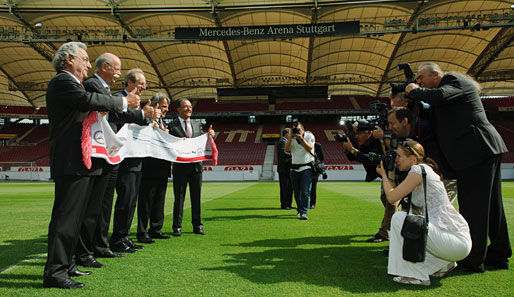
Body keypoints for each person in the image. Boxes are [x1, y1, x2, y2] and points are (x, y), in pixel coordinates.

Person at [43, 42, 140, 289]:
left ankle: (68, 265)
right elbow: (87, 100)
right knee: (66, 218)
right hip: (70, 160)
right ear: (68, 61)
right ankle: (55, 272)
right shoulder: (62, 81)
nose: (88, 63)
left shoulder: (72, 83)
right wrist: (124, 102)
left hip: (81, 159)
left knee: (76, 219)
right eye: (84, 59)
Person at [406, 62, 511, 273]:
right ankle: (499, 255)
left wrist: (415, 91)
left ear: (436, 75)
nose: (419, 82)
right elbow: (431, 113)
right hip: (480, 150)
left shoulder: (454, 82)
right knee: (491, 207)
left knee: (474, 207)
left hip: (476, 151)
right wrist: (412, 97)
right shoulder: (446, 93)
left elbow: (439, 96)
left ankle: (473, 261)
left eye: (421, 77)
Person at [377, 140, 471, 286]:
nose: (396, 160)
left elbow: (392, 197)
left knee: (399, 218)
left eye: (399, 156)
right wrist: (390, 173)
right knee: (411, 222)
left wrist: (383, 174)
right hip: (454, 241)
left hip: (453, 240)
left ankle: (415, 275)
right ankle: (442, 264)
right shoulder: (424, 171)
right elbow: (396, 194)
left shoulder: (418, 170)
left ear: (412, 159)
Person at [110, 68, 151, 253]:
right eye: (141, 83)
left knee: (132, 199)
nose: (143, 87)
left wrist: (148, 116)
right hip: (122, 158)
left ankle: (124, 236)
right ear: (130, 83)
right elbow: (117, 118)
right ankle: (117, 238)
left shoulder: (138, 103)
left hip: (136, 157)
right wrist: (141, 114)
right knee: (124, 199)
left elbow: (143, 124)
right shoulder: (118, 98)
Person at [387, 107, 457, 203]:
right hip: (430, 177)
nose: (389, 128)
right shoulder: (410, 134)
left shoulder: (424, 129)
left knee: (436, 210)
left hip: (445, 176)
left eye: (392, 123)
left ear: (404, 121)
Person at [169, 98, 215, 236]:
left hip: (196, 167)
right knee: (179, 198)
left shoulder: (197, 125)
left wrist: (210, 136)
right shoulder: (171, 126)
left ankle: (197, 226)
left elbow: (202, 142)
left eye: (190, 107)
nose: (189, 109)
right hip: (180, 167)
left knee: (196, 197)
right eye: (185, 107)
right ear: (178, 109)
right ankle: (177, 226)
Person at [343, 127, 397, 243]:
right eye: (355, 133)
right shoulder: (363, 143)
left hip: (394, 172)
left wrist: (352, 149)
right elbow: (351, 158)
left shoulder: (378, 141)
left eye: (360, 133)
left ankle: (384, 233)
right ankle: (395, 225)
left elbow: (370, 159)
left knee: (391, 202)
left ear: (369, 133)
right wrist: (349, 149)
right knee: (386, 199)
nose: (356, 136)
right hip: (386, 174)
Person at [137, 92, 172, 243]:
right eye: (164, 106)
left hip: (163, 167)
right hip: (148, 167)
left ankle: (156, 229)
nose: (166, 110)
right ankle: (142, 231)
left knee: (159, 200)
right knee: (146, 201)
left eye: (167, 107)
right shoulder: (145, 121)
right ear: (155, 106)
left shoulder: (165, 123)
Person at [285, 122, 315, 220]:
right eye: (294, 130)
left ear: (302, 129)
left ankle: (304, 212)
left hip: (306, 167)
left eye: (298, 129)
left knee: (305, 191)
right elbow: (287, 149)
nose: (296, 131)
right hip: (294, 168)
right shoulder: (292, 138)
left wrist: (301, 138)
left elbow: (310, 148)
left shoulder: (309, 136)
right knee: (297, 192)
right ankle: (299, 209)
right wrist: (290, 137)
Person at [277, 128, 294, 210]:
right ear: (286, 134)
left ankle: (289, 204)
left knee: (290, 187)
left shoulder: (286, 142)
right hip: (283, 169)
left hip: (288, 168)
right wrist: (293, 155)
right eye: (290, 134)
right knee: (284, 187)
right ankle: (284, 204)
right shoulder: (282, 142)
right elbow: (283, 153)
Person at [310, 142, 325, 209]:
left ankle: (312, 203)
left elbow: (321, 158)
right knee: (311, 187)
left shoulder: (317, 146)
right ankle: (310, 203)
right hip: (306, 167)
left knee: (313, 187)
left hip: (314, 169)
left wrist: (322, 170)